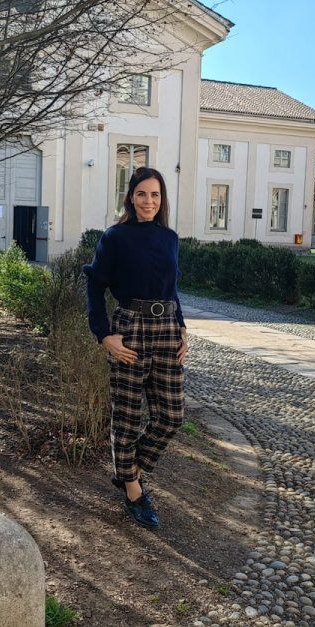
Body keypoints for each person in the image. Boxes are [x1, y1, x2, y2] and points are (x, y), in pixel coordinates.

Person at [83, 167, 188, 530]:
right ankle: (132, 490)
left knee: (172, 416)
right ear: (130, 197)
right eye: (142, 194)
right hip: (130, 329)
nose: (148, 201)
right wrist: (103, 335)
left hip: (167, 330)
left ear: (162, 199)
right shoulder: (115, 237)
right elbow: (94, 285)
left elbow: (172, 288)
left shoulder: (170, 238)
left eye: (155, 195)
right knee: (127, 416)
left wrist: (182, 327)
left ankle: (127, 469)